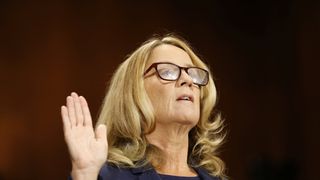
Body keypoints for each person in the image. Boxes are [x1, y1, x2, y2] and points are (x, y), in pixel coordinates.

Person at [61, 34, 226, 180]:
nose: (188, 80)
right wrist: (84, 175)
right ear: (134, 92)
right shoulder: (106, 176)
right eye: (168, 72)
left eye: (193, 74)